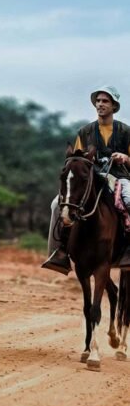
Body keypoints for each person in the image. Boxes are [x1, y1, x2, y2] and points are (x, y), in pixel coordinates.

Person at [42, 86, 130, 274]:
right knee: (56, 204)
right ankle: (60, 252)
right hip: (91, 179)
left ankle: (128, 250)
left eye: (105, 101)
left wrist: (125, 158)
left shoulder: (125, 131)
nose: (100, 104)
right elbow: (76, 158)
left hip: (120, 178)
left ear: (114, 106)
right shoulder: (85, 132)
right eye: (98, 101)